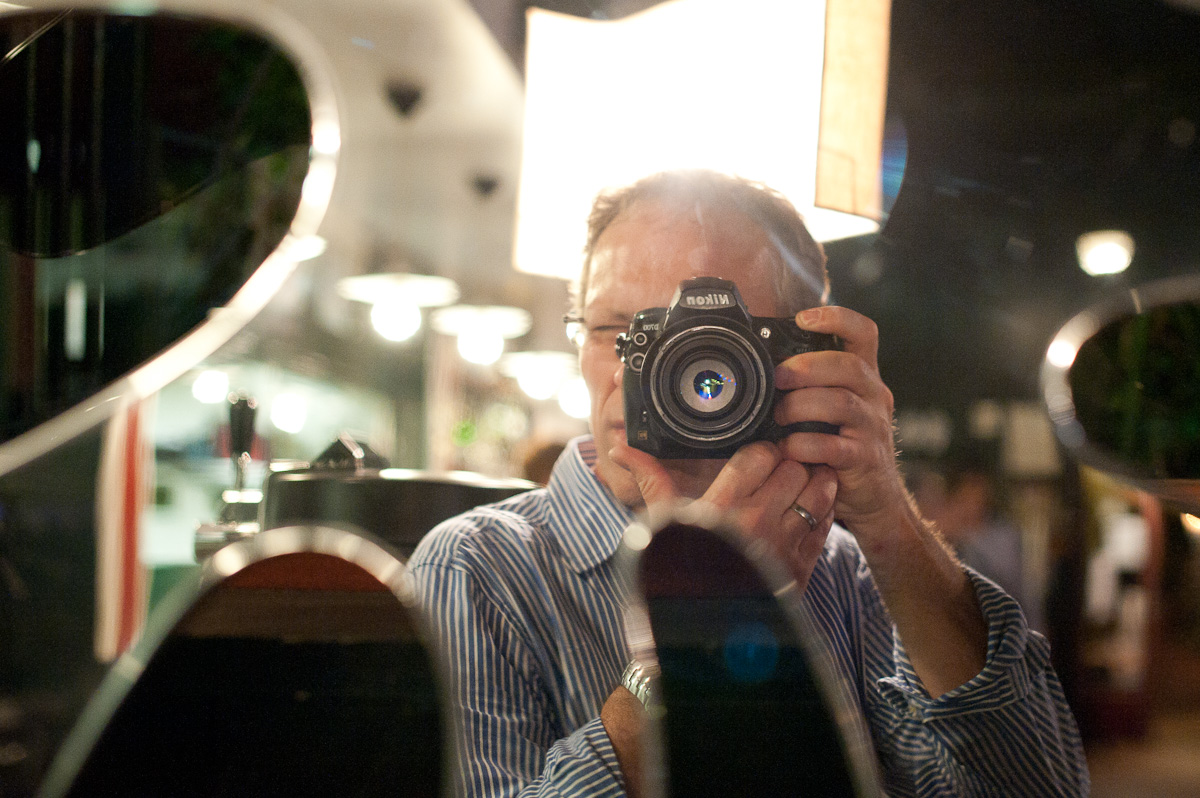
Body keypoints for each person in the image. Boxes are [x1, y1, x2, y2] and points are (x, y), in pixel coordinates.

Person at [409, 170, 1088, 797]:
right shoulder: (479, 569)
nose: (639, 370)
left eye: (706, 336)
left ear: (803, 356)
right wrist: (695, 625)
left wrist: (889, 522)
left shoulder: (849, 572)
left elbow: (1041, 789)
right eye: (617, 329)